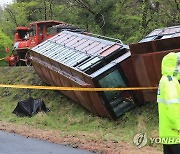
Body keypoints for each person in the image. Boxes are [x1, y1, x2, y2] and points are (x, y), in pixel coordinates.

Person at [157, 52, 180, 154]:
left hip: (167, 132)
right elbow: (172, 107)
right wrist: (178, 126)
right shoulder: (171, 82)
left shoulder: (164, 80)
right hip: (175, 133)